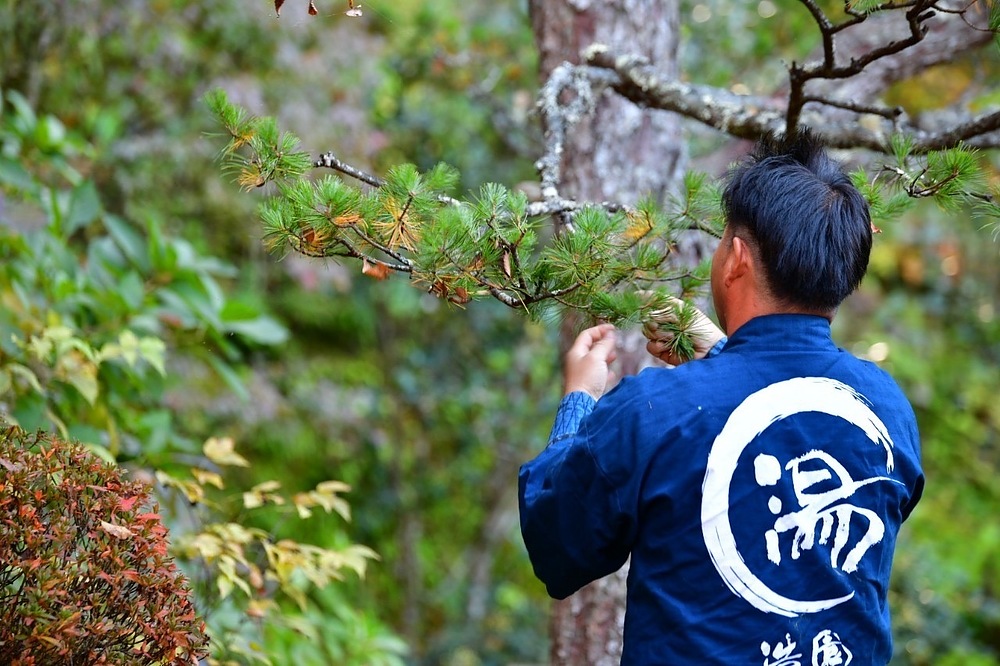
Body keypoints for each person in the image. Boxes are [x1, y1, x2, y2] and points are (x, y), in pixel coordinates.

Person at [518, 131, 924, 665]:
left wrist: (580, 399)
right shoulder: (886, 408)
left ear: (735, 258)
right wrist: (721, 358)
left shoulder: (654, 409)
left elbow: (559, 545)